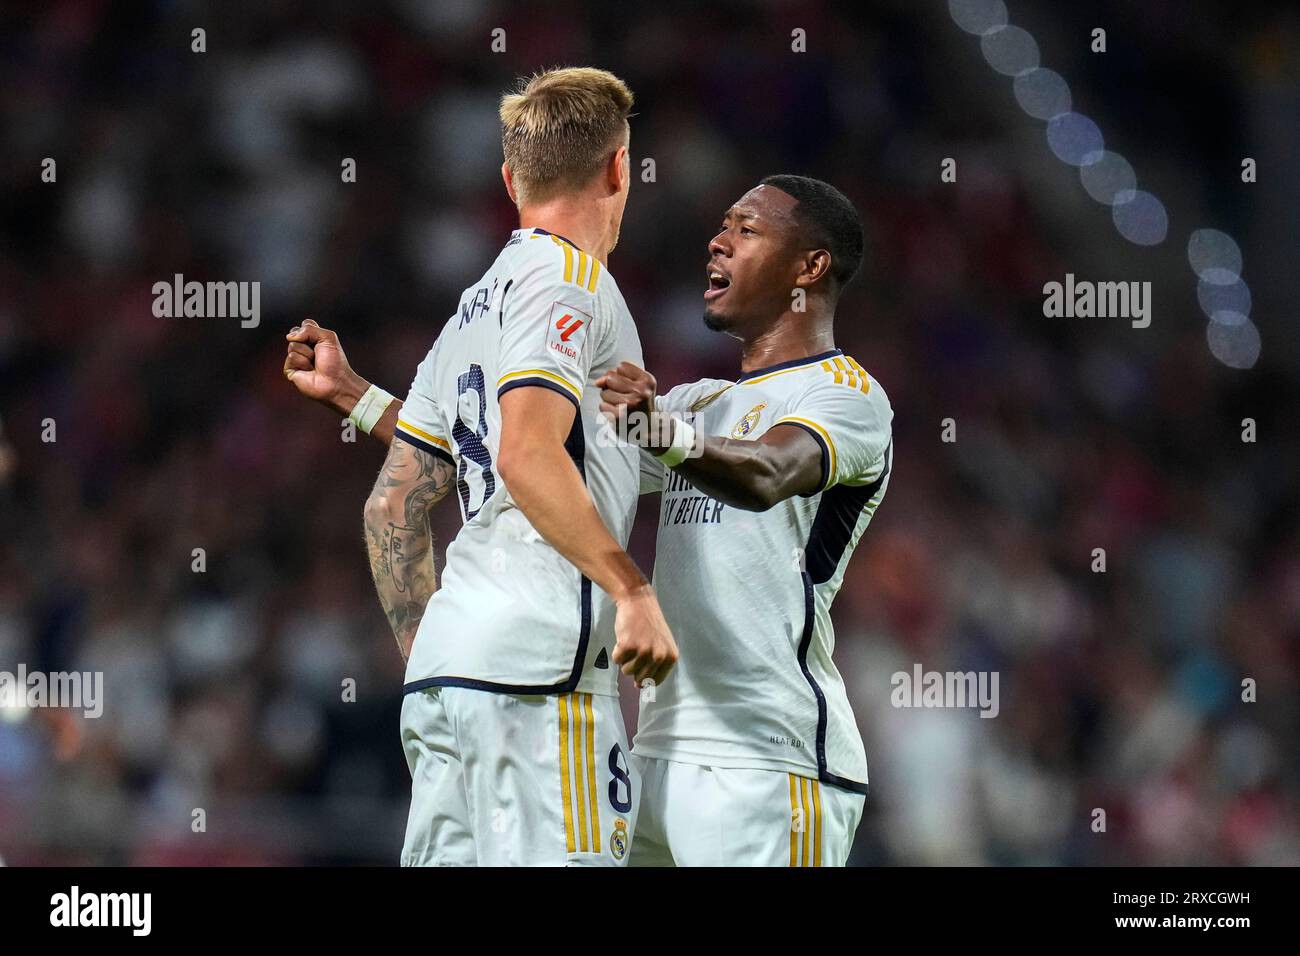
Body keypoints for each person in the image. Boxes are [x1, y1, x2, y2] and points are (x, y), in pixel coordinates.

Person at [287, 175, 891, 866]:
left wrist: (663, 431)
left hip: (769, 762)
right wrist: (358, 397)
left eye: (746, 229)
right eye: (722, 224)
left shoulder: (847, 394)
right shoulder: (702, 405)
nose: (717, 241)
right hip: (656, 754)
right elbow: (523, 451)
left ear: (810, 267)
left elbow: (768, 471)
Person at [293, 66, 678, 867]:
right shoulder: (571, 282)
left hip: (447, 677)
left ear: (511, 180)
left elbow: (396, 503)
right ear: (619, 169)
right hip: (540, 680)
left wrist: (356, 395)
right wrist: (631, 589)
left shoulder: (477, 303)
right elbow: (525, 451)